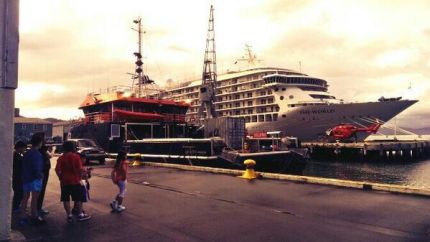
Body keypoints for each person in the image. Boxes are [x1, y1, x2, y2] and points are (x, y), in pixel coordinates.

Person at [56, 141, 91, 222]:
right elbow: (80, 169)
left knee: (65, 199)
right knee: (77, 198)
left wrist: (60, 177)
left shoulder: (61, 158)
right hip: (75, 181)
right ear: (72, 147)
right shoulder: (76, 157)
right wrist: (86, 172)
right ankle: (80, 214)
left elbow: (57, 170)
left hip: (64, 182)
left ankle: (69, 215)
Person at [20, 135, 45, 225]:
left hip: (26, 178)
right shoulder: (37, 154)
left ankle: (23, 216)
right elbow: (37, 168)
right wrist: (40, 175)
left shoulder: (27, 153)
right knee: (35, 198)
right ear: (39, 143)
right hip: (35, 179)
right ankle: (34, 216)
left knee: (25, 198)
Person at [35, 132, 52, 215]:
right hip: (43, 171)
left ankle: (36, 208)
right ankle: (38, 208)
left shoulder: (38, 147)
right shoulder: (42, 147)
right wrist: (51, 151)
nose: (45, 139)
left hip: (41, 170)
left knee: (38, 190)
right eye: (44, 137)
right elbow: (50, 156)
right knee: (41, 190)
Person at [12, 141, 27, 212]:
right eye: (24, 148)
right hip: (17, 178)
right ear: (20, 147)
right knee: (19, 193)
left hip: (15, 177)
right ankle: (15, 207)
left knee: (18, 192)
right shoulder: (17, 156)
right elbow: (21, 167)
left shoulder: (15, 154)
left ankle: (16, 206)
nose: (25, 149)